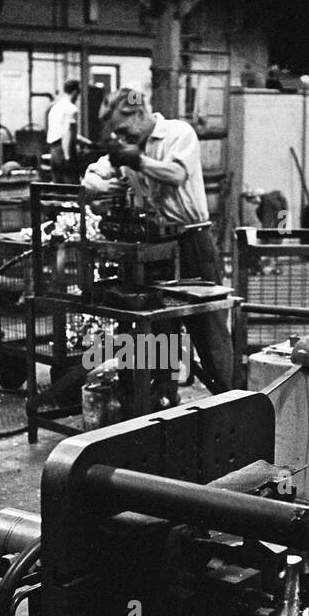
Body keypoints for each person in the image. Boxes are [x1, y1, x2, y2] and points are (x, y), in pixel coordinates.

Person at [81, 88, 236, 395]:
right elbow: (89, 178)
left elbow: (176, 174)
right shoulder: (129, 146)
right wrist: (103, 182)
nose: (121, 136)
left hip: (193, 241)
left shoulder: (178, 134)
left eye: (123, 129)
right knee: (161, 329)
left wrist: (138, 162)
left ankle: (228, 399)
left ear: (138, 114)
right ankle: (164, 398)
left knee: (208, 326)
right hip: (156, 249)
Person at [46, 80, 82, 183]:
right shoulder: (72, 109)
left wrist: (89, 143)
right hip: (65, 150)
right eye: (78, 94)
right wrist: (67, 157)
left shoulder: (54, 108)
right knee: (72, 188)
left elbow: (62, 132)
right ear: (75, 92)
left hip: (54, 152)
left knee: (58, 189)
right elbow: (67, 133)